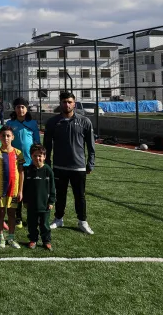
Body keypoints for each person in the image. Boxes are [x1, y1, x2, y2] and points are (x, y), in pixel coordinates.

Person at [44, 91, 96, 235]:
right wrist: (47, 163)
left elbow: (91, 145)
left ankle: (82, 221)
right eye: (64, 102)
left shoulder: (85, 121)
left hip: (78, 167)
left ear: (74, 103)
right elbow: (47, 145)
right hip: (59, 166)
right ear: (60, 103)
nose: (67, 104)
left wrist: (90, 163)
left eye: (69, 102)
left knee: (80, 196)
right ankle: (58, 218)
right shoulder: (53, 122)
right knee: (60, 195)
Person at [6, 97, 41, 229]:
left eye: (23, 107)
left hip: (29, 163)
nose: (20, 109)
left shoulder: (32, 123)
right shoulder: (10, 123)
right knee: (16, 191)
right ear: (14, 109)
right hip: (15, 163)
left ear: (26, 109)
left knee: (30, 191)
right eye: (18, 107)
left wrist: (37, 158)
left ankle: (32, 217)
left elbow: (37, 142)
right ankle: (18, 217)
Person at [0, 125, 25, 248]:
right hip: (0, 190)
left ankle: (11, 238)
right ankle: (0, 237)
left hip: (14, 190)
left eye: (8, 136)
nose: (6, 138)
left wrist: (20, 191)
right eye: (3, 136)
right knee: (0, 214)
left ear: (12, 137)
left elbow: (21, 173)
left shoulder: (18, 153)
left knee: (12, 214)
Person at [23, 144, 56, 251]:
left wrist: (51, 201)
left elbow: (52, 187)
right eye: (35, 156)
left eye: (40, 156)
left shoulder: (48, 170)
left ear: (44, 156)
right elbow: (25, 187)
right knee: (32, 224)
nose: (37, 158)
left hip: (44, 204)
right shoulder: (28, 170)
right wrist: (25, 200)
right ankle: (33, 239)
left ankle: (46, 241)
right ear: (31, 156)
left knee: (45, 224)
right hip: (32, 203)